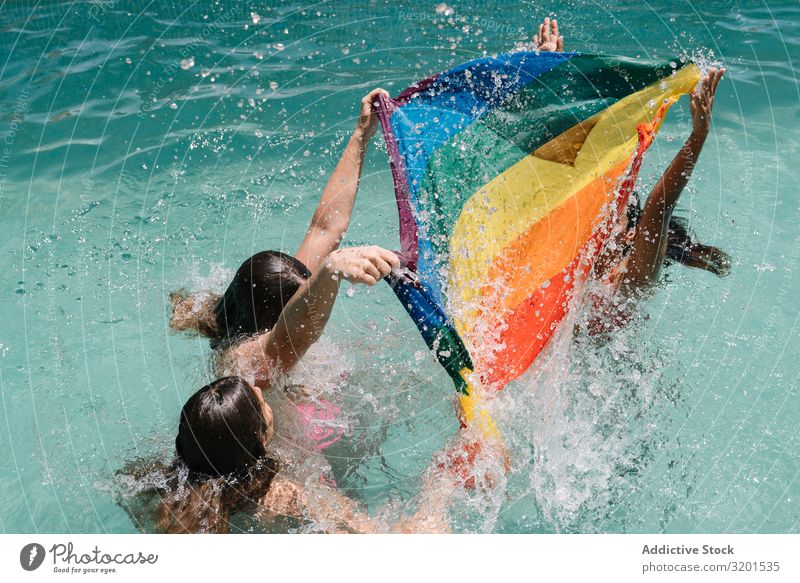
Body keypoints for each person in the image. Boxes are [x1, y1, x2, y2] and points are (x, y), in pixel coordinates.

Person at [119, 376, 449, 533]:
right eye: (261, 402)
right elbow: (377, 539)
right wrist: (441, 488)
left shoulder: (150, 483)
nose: (262, 391)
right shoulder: (286, 497)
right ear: (262, 439)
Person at [588, 67, 731, 335]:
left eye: (611, 218)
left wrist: (698, 136)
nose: (600, 223)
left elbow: (659, 208)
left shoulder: (633, 280)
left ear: (632, 234)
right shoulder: (580, 267)